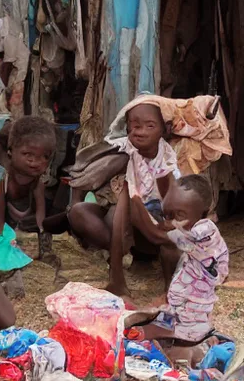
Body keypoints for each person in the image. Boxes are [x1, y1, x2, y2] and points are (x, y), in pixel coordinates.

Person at [65, 102, 176, 295]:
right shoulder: (120, 150)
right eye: (135, 125)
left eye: (150, 126)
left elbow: (173, 205)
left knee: (128, 206)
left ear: (164, 130)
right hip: (121, 222)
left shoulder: (168, 159)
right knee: (79, 211)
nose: (140, 132)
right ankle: (118, 259)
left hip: (153, 228)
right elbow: (82, 175)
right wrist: (74, 203)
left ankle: (126, 268)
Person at [123, 174, 226, 362]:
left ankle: (191, 349)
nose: (171, 222)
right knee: (135, 324)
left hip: (191, 314)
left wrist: (135, 198)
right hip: (183, 307)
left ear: (203, 212)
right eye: (168, 215)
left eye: (179, 215)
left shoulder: (203, 232)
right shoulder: (193, 226)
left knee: (155, 341)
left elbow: (155, 236)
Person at [0, 116, 64, 272]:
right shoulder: (0, 178)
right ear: (10, 152)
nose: (35, 162)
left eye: (43, 157)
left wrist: (42, 243)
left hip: (21, 232)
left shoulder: (37, 183)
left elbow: (40, 220)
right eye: (28, 155)